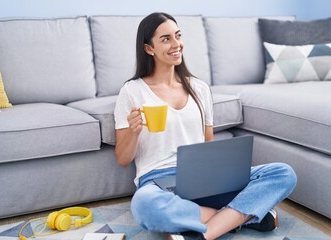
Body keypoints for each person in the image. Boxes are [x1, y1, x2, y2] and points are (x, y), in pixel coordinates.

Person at [114, 12, 297, 240]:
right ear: (149, 48)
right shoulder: (132, 91)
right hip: (158, 180)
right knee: (143, 205)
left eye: (178, 36)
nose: (176, 44)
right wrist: (133, 132)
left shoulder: (199, 88)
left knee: (283, 173)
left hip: (202, 178)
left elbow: (207, 144)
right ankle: (238, 217)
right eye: (165, 39)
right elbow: (122, 159)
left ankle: (206, 231)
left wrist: (217, 176)